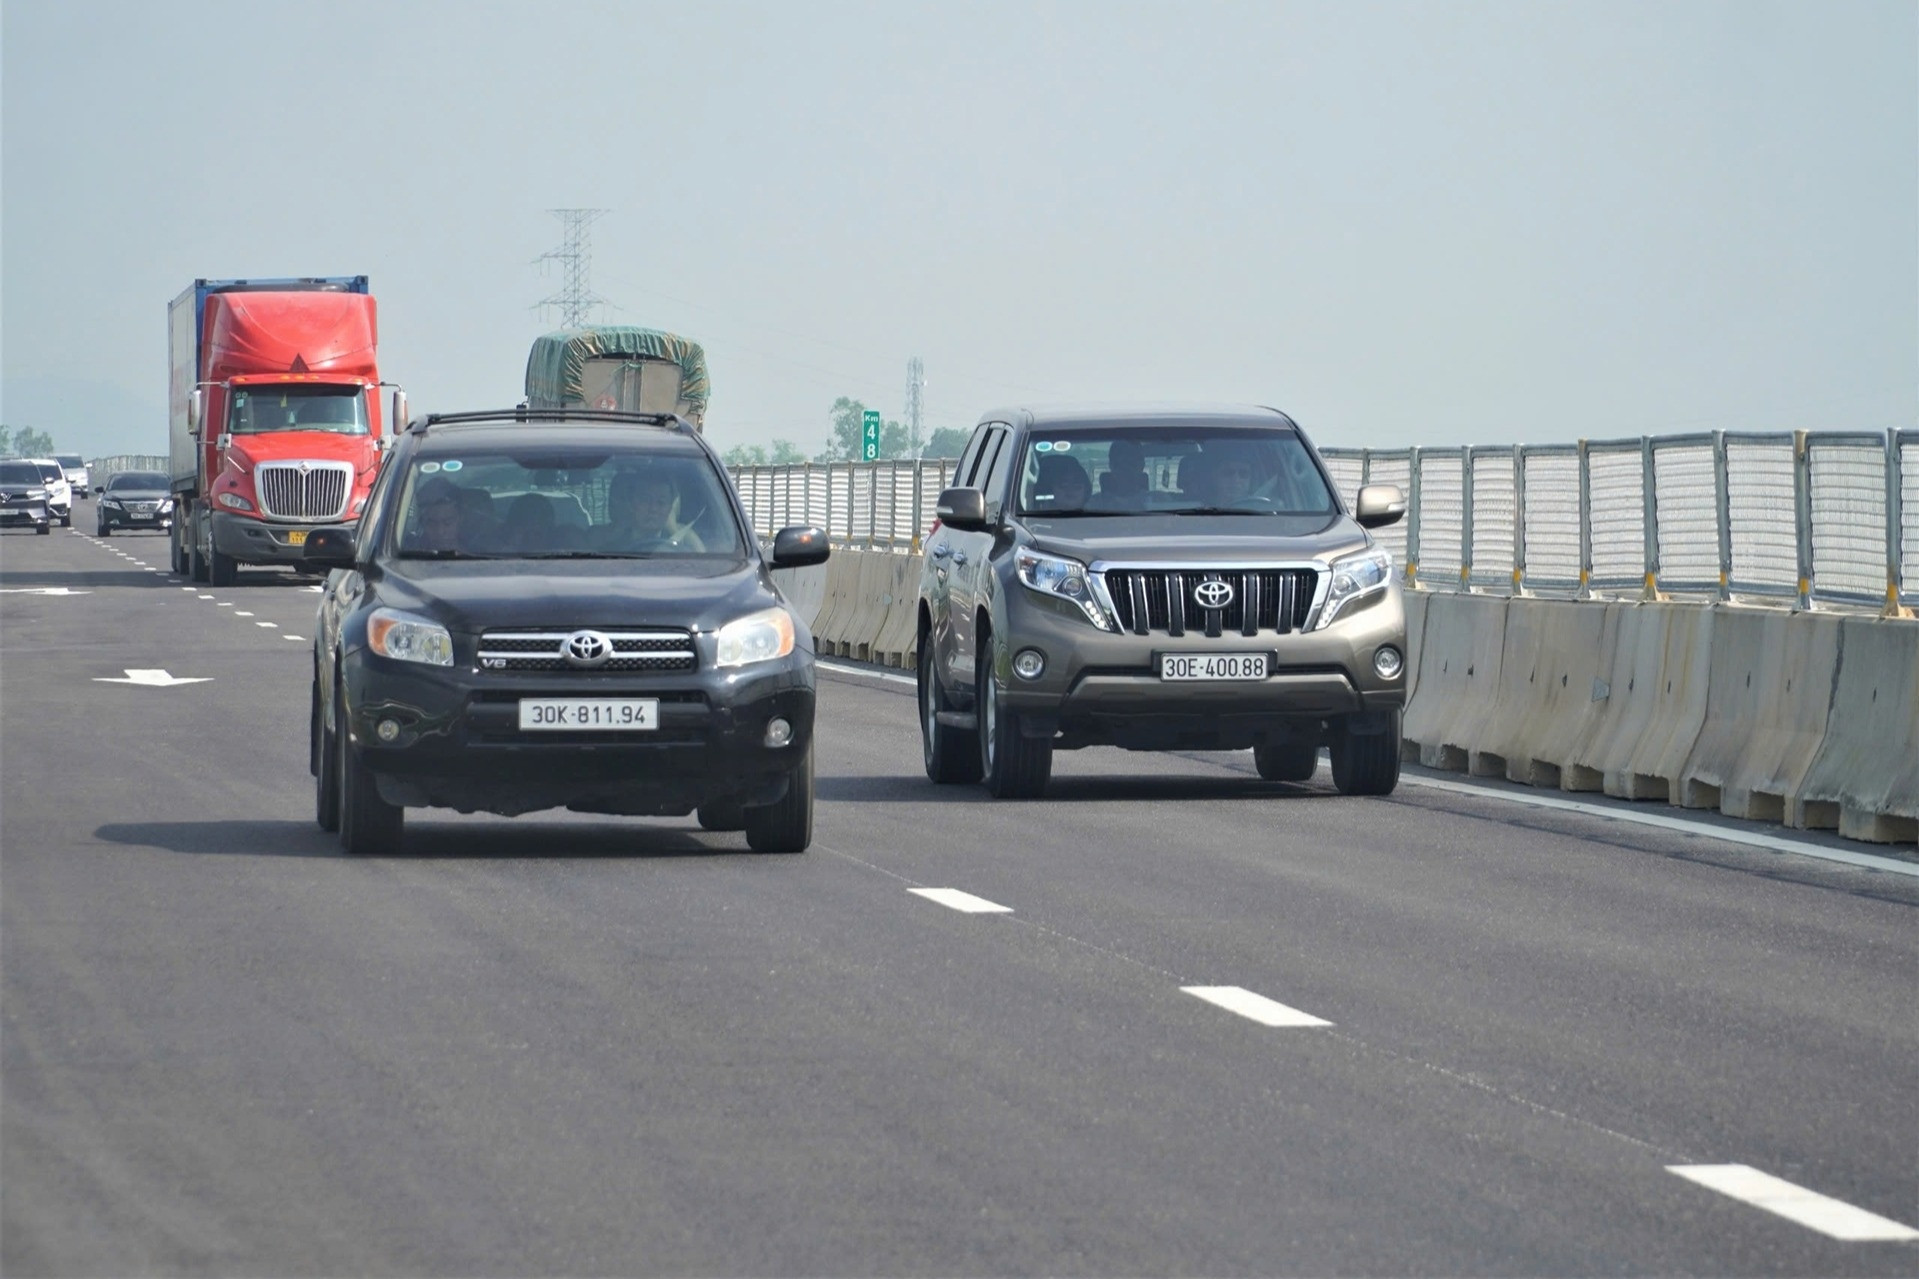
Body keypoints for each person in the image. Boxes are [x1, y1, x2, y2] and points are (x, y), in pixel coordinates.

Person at [600, 469, 705, 552]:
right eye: (645, 500)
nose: (653, 509)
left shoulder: (683, 546)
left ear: (670, 508)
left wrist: (676, 531)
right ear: (632, 503)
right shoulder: (611, 550)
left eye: (661, 503)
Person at [410, 477, 465, 552]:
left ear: (461, 519)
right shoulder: (406, 551)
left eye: (448, 523)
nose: (440, 531)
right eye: (431, 523)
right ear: (422, 523)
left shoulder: (478, 553)